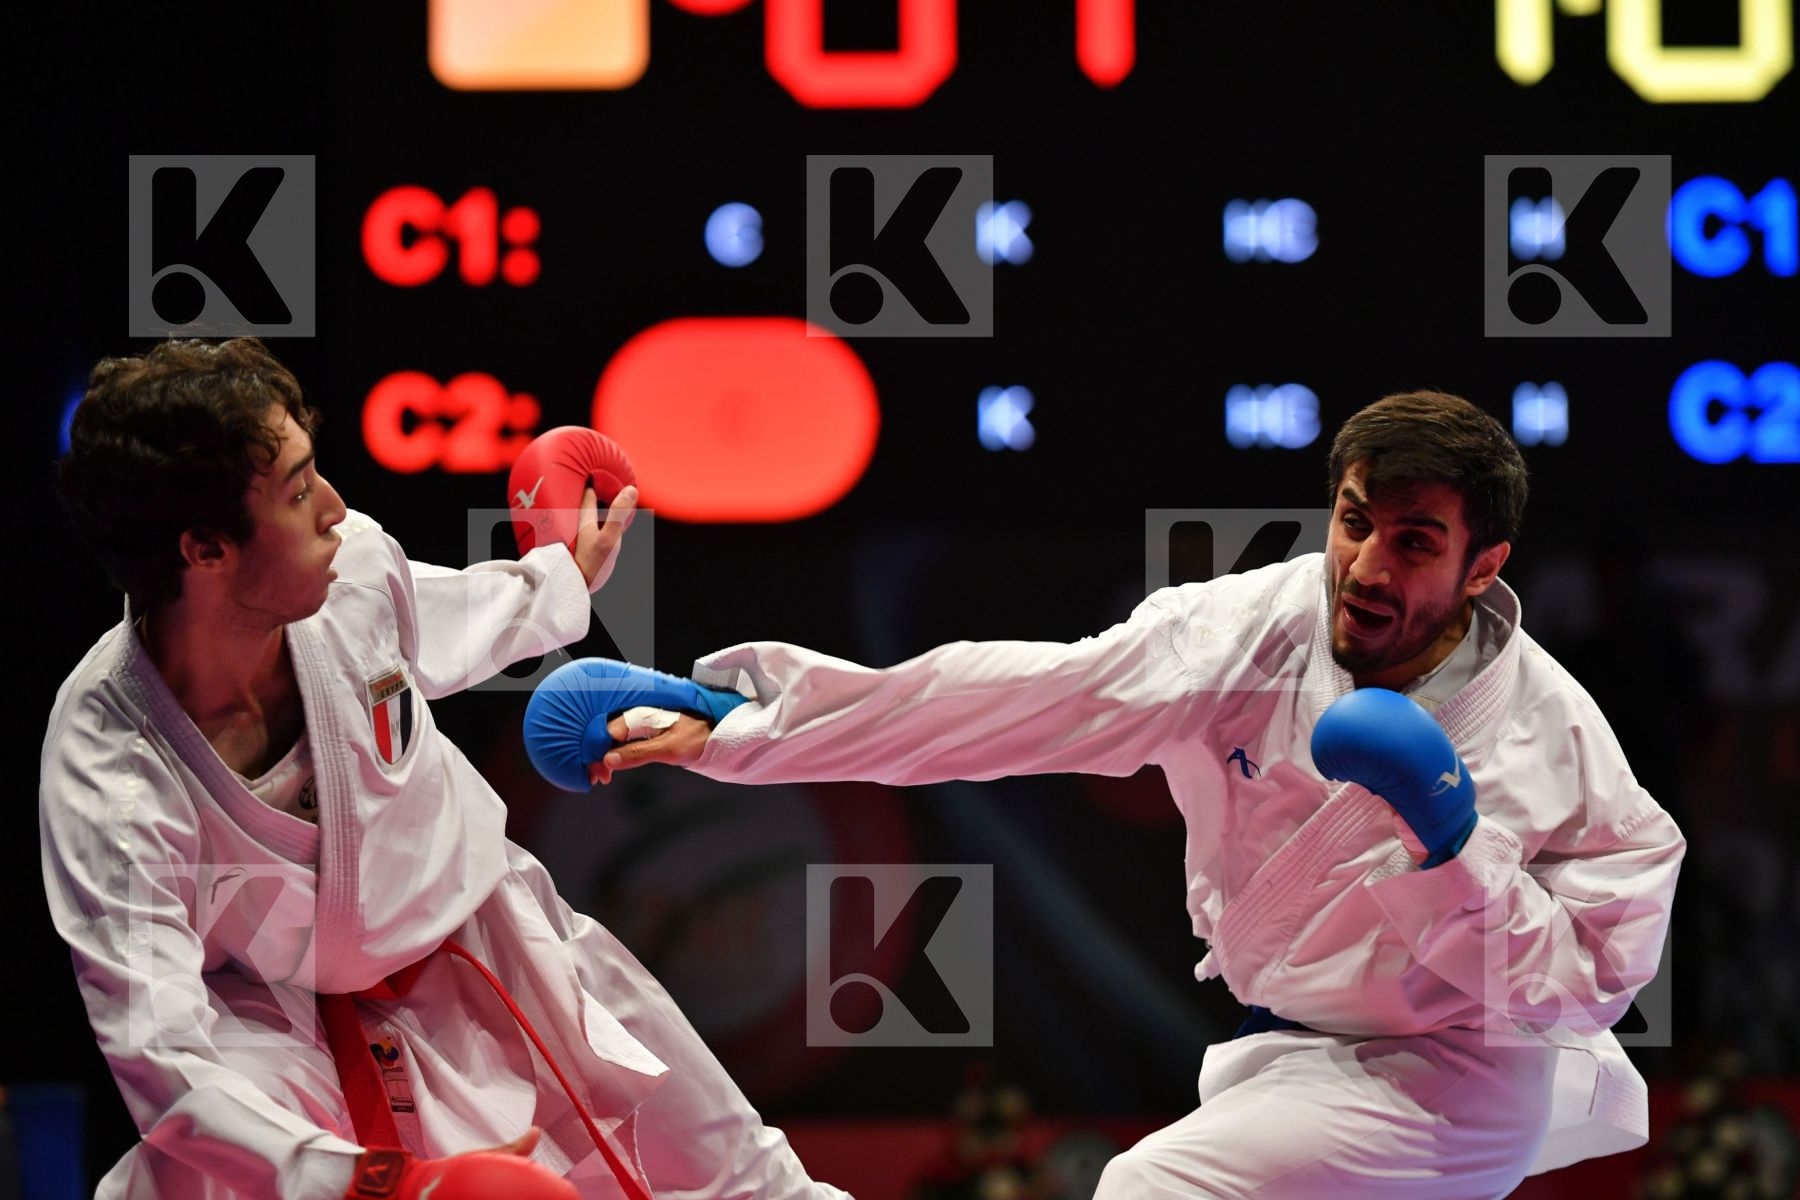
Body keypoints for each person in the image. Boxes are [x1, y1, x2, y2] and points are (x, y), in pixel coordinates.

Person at [577, 392, 1686, 1198]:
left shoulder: (1553, 737)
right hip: (1286, 1052)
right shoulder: (1247, 633)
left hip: (1456, 1081)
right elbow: (1011, 701)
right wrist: (743, 726)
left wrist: (1457, 850)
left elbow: (1587, 990)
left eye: (1414, 543)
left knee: (1156, 1193)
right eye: (1354, 520)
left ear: (1483, 566)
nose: (1366, 568)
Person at [41, 337, 848, 1200]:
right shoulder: (112, 778)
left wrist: (556, 578)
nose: (336, 509)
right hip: (279, 1030)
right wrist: (390, 1185)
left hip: (492, 945)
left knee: (752, 1184)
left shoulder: (349, 571)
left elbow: (437, 617)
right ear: (205, 551)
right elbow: (161, 1055)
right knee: (188, 1183)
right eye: (300, 489)